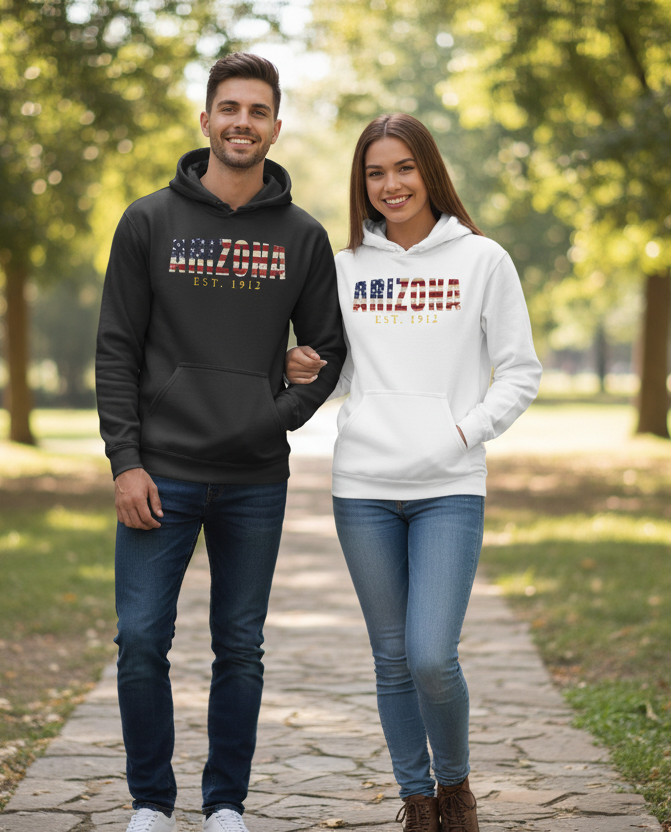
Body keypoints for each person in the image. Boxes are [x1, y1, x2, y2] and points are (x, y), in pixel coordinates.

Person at [96, 53, 346, 832]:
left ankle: (226, 803)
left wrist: (276, 415)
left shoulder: (303, 237)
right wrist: (126, 462)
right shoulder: (147, 222)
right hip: (160, 474)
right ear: (206, 119)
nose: (243, 122)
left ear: (276, 126)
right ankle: (150, 801)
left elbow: (328, 351)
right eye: (230, 108)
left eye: (258, 111)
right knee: (142, 640)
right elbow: (116, 349)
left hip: (255, 480)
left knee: (240, 646)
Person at [285, 113, 542, 832]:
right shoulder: (344, 268)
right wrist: (299, 365)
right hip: (363, 488)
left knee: (431, 655)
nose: (390, 184)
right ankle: (419, 803)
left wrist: (463, 432)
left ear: (429, 171)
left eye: (404, 167)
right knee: (392, 659)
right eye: (375, 172)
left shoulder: (483, 260)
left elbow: (520, 372)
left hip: (449, 487)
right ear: (361, 184)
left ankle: (455, 787)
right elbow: (337, 372)